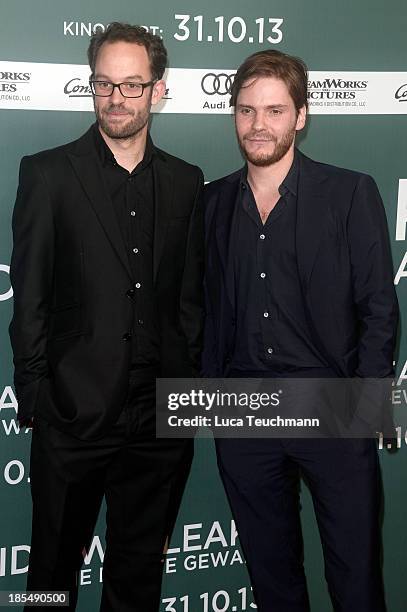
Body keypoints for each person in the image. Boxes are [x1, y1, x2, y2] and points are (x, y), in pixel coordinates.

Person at [9, 22, 204, 612]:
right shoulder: (47, 174)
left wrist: (185, 393)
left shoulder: (186, 181)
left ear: (158, 91)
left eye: (132, 85)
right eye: (104, 84)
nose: (116, 98)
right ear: (92, 86)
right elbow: (30, 298)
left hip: (156, 423)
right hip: (73, 416)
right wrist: (39, 395)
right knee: (50, 575)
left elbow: (190, 303)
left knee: (137, 579)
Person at [203, 49, 398, 612]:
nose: (258, 124)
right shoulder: (212, 202)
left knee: (356, 579)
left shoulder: (349, 193)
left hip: (333, 410)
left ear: (301, 116)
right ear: (233, 114)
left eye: (274, 110)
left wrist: (365, 412)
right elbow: (206, 312)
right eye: (245, 111)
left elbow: (379, 309)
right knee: (272, 579)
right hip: (243, 414)